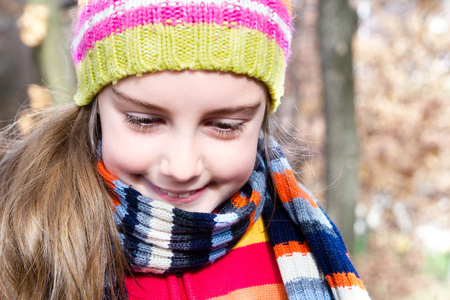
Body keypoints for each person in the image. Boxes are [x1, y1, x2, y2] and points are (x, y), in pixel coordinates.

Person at [0, 0, 371, 299]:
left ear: (261, 122)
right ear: (95, 107)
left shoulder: (301, 247)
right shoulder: (25, 238)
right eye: (144, 121)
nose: (181, 168)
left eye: (225, 126)